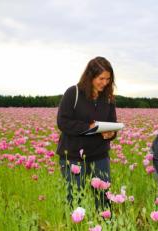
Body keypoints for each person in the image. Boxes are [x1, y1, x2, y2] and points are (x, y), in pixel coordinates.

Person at [56, 56, 117, 210]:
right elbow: (62, 122)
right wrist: (88, 127)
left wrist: (111, 133)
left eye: (108, 79)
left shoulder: (108, 98)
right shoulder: (73, 93)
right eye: (101, 78)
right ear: (90, 76)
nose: (105, 83)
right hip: (74, 156)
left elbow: (112, 124)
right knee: (75, 199)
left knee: (103, 199)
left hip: (100, 156)